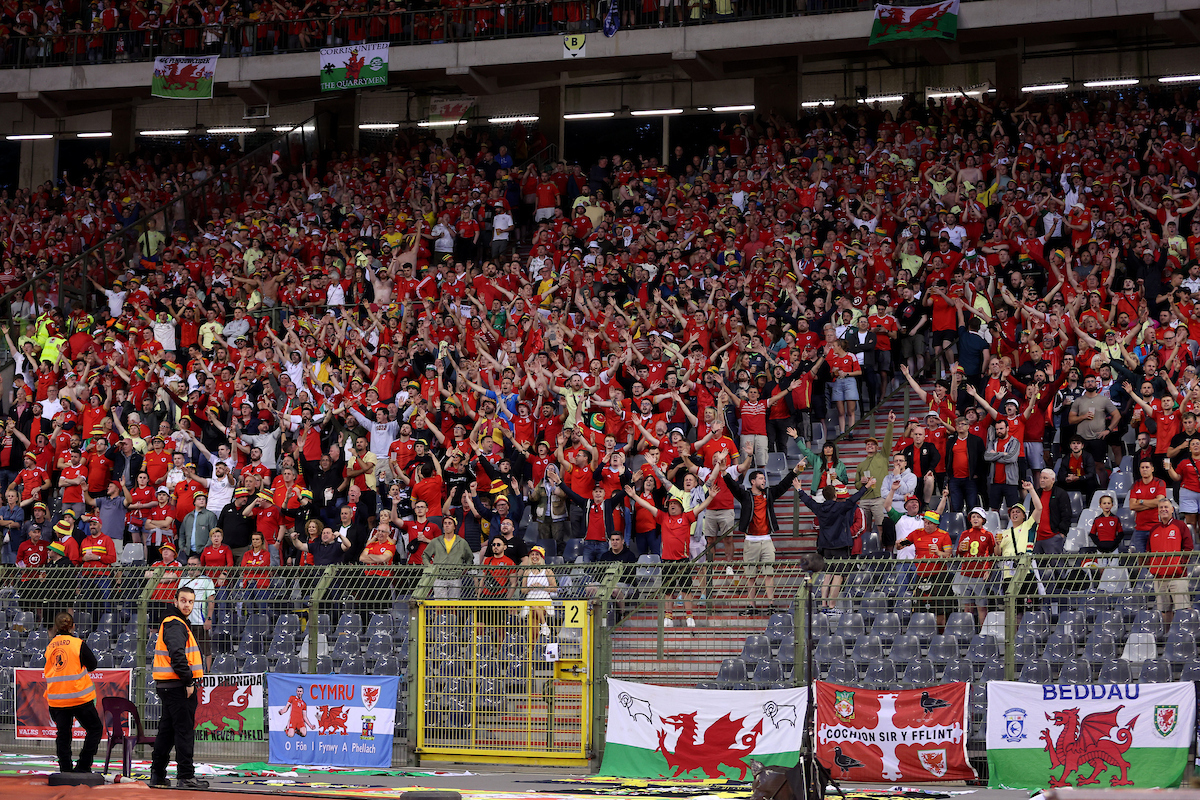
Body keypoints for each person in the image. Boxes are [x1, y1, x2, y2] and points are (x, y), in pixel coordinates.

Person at [150, 585, 207, 789]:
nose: (187, 605)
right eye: (183, 601)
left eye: (191, 602)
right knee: (184, 732)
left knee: (166, 732)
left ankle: (157, 774)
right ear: (175, 601)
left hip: (168, 685)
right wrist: (188, 681)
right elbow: (177, 654)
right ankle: (185, 775)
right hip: (178, 686)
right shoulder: (175, 623)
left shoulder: (173, 622)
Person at [793, 473, 874, 608]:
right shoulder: (840, 507)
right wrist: (866, 486)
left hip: (825, 547)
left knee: (827, 575)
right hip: (840, 546)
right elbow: (854, 499)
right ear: (835, 496)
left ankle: (823, 604)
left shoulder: (819, 508)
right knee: (838, 576)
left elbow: (807, 501)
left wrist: (799, 489)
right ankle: (832, 605)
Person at [43, 611, 101, 775]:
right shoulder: (78, 644)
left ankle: (65, 769)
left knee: (63, 734)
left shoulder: (50, 646)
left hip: (57, 699)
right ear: (73, 626)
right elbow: (92, 665)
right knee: (95, 729)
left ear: (56, 627)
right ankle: (83, 765)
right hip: (78, 697)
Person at [1147, 500, 1194, 625]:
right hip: (1159, 577)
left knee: (1183, 609)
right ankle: (1168, 635)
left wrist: (1180, 565)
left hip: (1178, 576)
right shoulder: (1154, 529)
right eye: (1161, 507)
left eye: (1166, 507)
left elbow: (1189, 547)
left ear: (1172, 509)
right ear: (1158, 511)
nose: (1163, 509)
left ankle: (1186, 633)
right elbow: (1149, 551)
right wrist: (1153, 567)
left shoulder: (1180, 525)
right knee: (1164, 611)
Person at [521, 545, 558, 638]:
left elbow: (554, 588)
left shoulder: (547, 571)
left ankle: (544, 626)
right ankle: (544, 627)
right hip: (530, 598)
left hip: (544, 599)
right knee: (533, 608)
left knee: (535, 606)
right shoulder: (527, 572)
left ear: (541, 557)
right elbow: (523, 590)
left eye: (537, 554)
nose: (534, 557)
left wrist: (542, 587)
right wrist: (530, 588)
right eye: (532, 554)